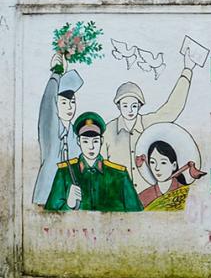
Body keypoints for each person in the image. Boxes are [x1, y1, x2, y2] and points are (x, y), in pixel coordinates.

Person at [103, 49, 198, 193]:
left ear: (140, 106)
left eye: (134, 105)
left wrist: (187, 70)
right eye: (125, 105)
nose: (130, 110)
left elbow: (172, 109)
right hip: (119, 200)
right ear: (118, 106)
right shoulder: (108, 131)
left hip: (149, 199)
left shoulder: (148, 123)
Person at [44, 112, 143, 212]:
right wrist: (69, 206)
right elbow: (49, 216)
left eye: (95, 141)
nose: (91, 147)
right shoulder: (64, 173)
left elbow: (136, 215)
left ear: (101, 140)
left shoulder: (119, 175)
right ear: (78, 141)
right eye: (85, 141)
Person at [32, 54, 84, 205]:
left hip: (72, 202)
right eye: (63, 102)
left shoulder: (77, 136)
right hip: (46, 198)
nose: (69, 107)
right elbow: (48, 105)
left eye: (72, 102)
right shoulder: (51, 131)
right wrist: (56, 73)